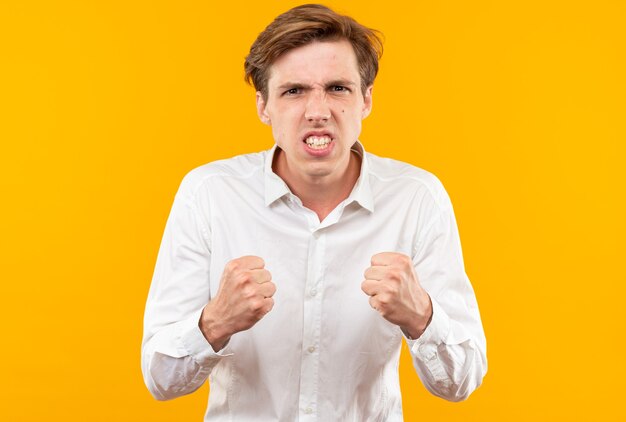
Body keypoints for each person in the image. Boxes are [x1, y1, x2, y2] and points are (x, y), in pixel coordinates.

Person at [141, 4, 487, 421]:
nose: (318, 111)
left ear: (366, 99)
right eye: (294, 91)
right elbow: (160, 379)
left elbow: (461, 382)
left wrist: (422, 317)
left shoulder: (417, 198)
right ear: (263, 105)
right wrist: (213, 324)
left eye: (338, 88)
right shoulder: (209, 194)